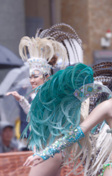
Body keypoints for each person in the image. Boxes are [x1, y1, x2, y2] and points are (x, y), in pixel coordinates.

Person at [6, 23, 83, 176]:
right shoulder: (40, 97)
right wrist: (21, 100)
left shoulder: (51, 97)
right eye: (30, 77)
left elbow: (52, 124)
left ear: (46, 76)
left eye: (35, 76)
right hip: (46, 151)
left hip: (50, 152)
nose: (32, 80)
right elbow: (36, 117)